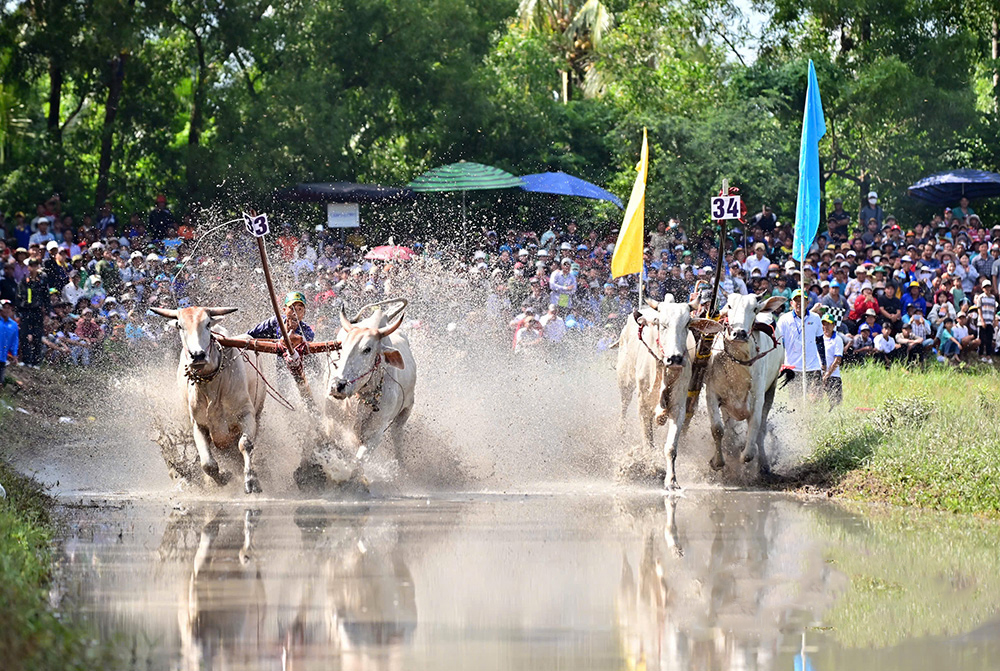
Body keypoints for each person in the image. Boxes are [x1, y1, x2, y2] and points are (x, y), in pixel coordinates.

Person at [775, 289, 823, 396]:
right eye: (796, 301)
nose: (799, 304)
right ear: (791, 303)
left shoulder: (815, 318)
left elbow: (820, 341)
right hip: (793, 367)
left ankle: (813, 413)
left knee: (815, 397)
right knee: (796, 398)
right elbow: (778, 342)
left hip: (812, 366)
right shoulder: (784, 319)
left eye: (802, 300)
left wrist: (823, 362)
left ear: (807, 303)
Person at [248, 291, 315, 344]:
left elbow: (305, 341)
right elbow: (250, 335)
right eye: (292, 308)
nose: (295, 313)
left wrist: (293, 335)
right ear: (284, 310)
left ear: (304, 313)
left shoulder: (307, 331)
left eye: (299, 309)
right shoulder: (274, 322)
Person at [820, 315, 843, 406]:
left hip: (833, 376)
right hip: (819, 374)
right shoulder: (818, 339)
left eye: (829, 324)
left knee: (835, 404)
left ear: (833, 325)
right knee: (815, 402)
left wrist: (827, 374)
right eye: (824, 324)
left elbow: (837, 360)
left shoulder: (837, 340)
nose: (826, 327)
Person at [974, 280, 997, 361]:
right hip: (982, 321)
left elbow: (994, 309)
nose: (987, 289)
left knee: (989, 339)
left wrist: (994, 320)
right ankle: (980, 354)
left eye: (988, 287)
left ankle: (988, 355)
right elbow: (979, 309)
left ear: (990, 287)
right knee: (982, 338)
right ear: (983, 288)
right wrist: (982, 320)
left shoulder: (993, 297)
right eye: (985, 287)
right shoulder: (981, 297)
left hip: (990, 320)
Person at [0, 299, 18, 386]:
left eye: (9, 308)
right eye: (5, 307)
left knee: (1, 382)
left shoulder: (13, 325)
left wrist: (14, 354)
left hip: (2, 357)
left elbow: (14, 341)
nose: (7, 310)